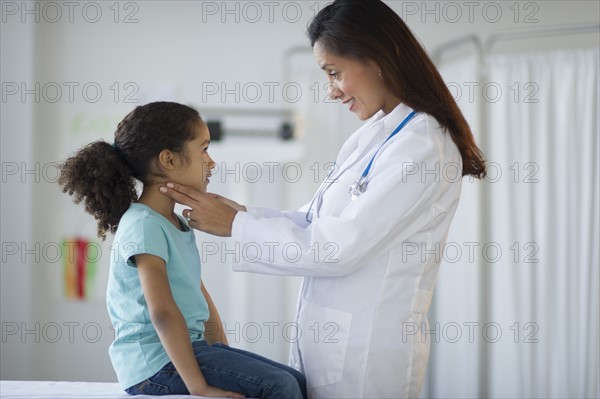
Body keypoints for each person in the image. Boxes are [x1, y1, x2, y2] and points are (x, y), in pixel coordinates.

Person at [159, 0, 487, 397]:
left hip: (366, 357)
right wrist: (243, 214)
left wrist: (239, 227)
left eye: (334, 73)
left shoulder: (421, 146)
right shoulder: (378, 136)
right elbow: (318, 221)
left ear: (377, 58)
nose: (331, 91)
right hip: (335, 347)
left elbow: (339, 246)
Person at [58, 102, 307, 398]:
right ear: (168, 160)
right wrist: (198, 387)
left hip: (190, 350)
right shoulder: (143, 224)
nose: (211, 162)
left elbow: (198, 295)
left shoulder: (174, 222)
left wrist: (225, 355)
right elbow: (162, 313)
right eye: (203, 149)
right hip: (154, 364)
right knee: (280, 386)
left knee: (296, 380)